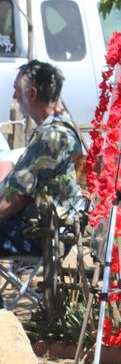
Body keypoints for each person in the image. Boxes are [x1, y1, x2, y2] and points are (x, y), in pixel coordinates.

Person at [0, 61, 84, 257]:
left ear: (32, 94)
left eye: (16, 89)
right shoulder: (66, 126)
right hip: (54, 230)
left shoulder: (50, 137)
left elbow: (16, 198)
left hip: (41, 235)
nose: (14, 96)